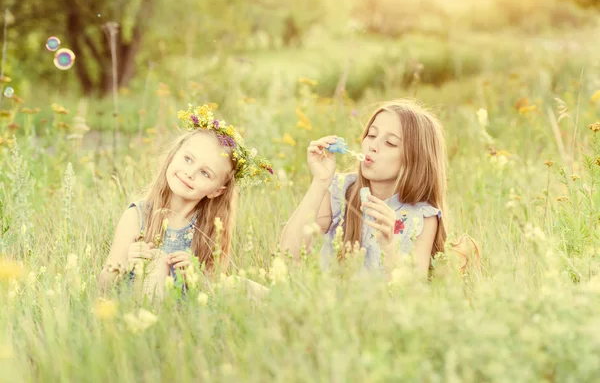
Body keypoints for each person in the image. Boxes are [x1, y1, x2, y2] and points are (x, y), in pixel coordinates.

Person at [98, 104, 274, 297]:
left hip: (185, 309)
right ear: (174, 155)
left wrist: (196, 274)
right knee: (157, 261)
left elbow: (214, 285)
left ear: (217, 190)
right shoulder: (137, 216)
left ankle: (287, 314)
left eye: (205, 173)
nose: (190, 173)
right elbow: (104, 285)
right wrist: (125, 261)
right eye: (188, 159)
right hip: (142, 306)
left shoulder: (210, 227)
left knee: (243, 285)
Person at [280, 99, 447, 277]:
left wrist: (390, 247)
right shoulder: (341, 191)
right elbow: (288, 255)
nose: (373, 146)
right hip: (323, 303)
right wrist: (320, 182)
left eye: (390, 143)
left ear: (415, 159)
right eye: (372, 135)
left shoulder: (422, 217)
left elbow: (411, 292)